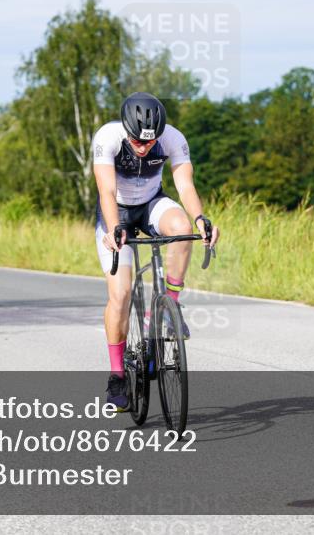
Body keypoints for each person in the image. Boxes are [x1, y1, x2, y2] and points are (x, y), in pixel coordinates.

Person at [92, 92, 220, 411]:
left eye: (150, 142)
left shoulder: (173, 138)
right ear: (126, 128)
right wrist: (113, 228)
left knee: (182, 229)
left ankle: (166, 311)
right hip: (116, 211)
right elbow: (106, 190)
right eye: (138, 141)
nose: (144, 147)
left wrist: (202, 219)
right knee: (120, 295)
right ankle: (118, 375)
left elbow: (185, 185)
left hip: (151, 202)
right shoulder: (108, 137)